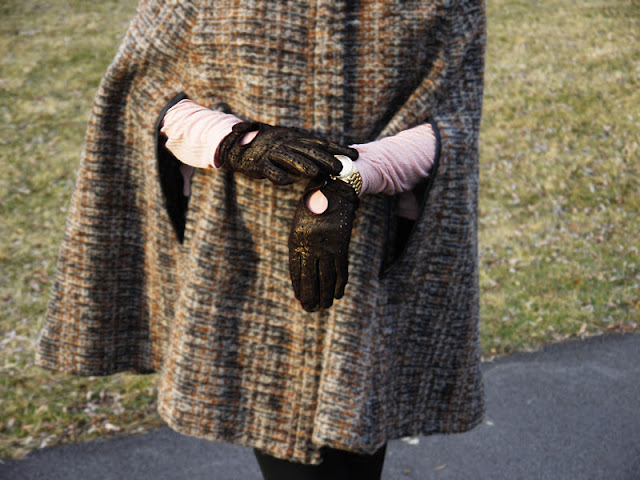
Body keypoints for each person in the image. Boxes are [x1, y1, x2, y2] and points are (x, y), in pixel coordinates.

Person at [36, 1, 487, 478]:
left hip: (368, 254)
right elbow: (145, 90)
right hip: (246, 252)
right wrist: (235, 141)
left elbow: (453, 118)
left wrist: (354, 176)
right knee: (286, 443)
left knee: (352, 442)